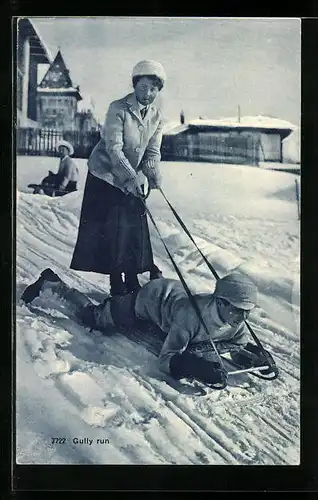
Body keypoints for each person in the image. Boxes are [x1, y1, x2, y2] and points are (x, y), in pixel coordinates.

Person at [21, 270, 259, 386]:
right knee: (94, 318)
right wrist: (193, 366)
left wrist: (250, 356)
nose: (244, 316)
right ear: (219, 301)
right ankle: (52, 283)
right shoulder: (190, 317)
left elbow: (236, 344)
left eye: (247, 310)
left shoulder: (236, 320)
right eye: (238, 309)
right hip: (150, 298)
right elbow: (167, 359)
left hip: (171, 297)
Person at [69, 60, 166, 297]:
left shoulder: (156, 116)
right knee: (113, 230)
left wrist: (152, 172)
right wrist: (131, 178)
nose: (148, 93)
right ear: (135, 85)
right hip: (106, 176)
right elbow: (114, 148)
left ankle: (132, 278)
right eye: (143, 87)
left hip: (131, 177)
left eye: (153, 89)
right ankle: (116, 282)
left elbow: (152, 151)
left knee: (133, 229)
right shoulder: (118, 108)